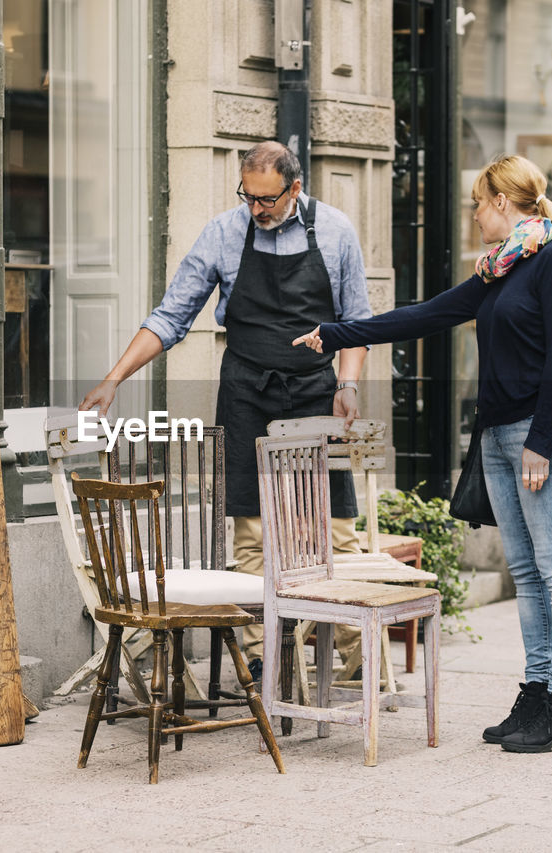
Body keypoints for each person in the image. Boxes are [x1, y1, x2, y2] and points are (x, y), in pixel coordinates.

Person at [292, 154, 552, 753]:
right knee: (528, 572)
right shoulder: (497, 271)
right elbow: (424, 316)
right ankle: (535, 692)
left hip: (540, 435)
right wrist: (339, 333)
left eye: (477, 204)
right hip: (499, 435)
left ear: (502, 203)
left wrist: (542, 441)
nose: (474, 215)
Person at [79, 141, 373, 679]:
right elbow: (171, 317)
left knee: (330, 527)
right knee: (254, 531)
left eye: (267, 199)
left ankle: (357, 653)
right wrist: (114, 378)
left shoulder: (335, 231)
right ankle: (263, 656)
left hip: (314, 391)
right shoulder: (223, 232)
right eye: (248, 196)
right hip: (246, 391)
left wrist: (348, 384)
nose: (257, 208)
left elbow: (356, 321)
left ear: (295, 188)